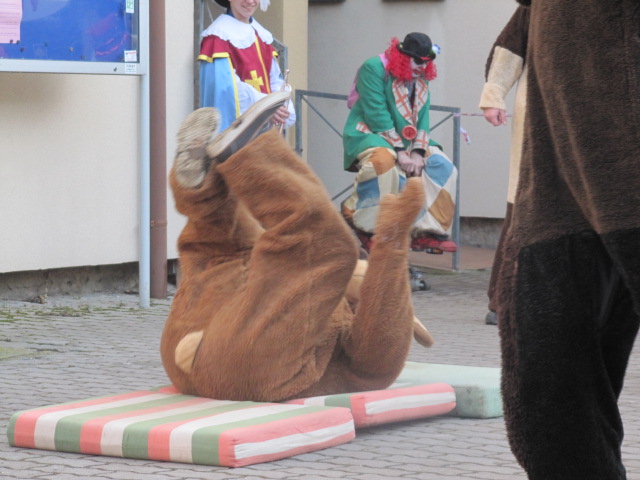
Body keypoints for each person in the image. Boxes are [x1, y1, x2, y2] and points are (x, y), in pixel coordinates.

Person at [161, 93, 433, 403]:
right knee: (232, 250)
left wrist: (392, 242)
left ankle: (242, 158)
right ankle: (203, 184)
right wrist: (390, 248)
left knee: (324, 250)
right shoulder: (345, 346)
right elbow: (384, 329)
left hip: (209, 354)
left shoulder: (362, 371)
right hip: (224, 351)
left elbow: (385, 325)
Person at [496, 1, 640, 478]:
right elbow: (511, 41)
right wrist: (494, 90)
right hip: (554, 192)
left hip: (614, 181)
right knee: (550, 404)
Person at [341, 33, 457, 253]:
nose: (422, 66)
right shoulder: (373, 67)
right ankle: (364, 224)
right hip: (369, 131)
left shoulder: (421, 76)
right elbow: (376, 113)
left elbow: (423, 115)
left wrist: (418, 152)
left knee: (442, 166)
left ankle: (426, 232)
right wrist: (401, 151)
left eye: (427, 61)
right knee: (384, 162)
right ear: (403, 56)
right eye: (418, 61)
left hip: (409, 139)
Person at [478, 5, 529, 325]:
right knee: (525, 201)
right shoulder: (538, 6)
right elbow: (510, 46)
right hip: (541, 114)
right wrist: (493, 95)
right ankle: (504, 297)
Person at [197, 0, 295, 131]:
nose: (249, 1)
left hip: (264, 127)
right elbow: (227, 89)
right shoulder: (217, 38)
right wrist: (266, 107)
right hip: (235, 132)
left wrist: (281, 106)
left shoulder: (261, 36)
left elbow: (275, 81)